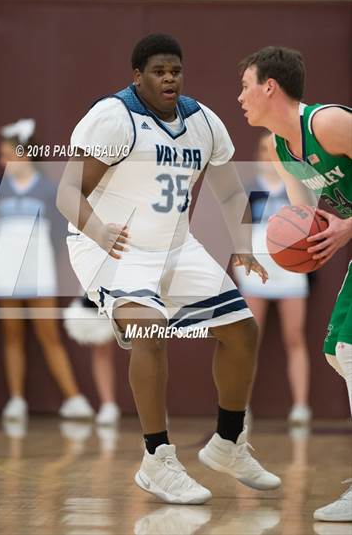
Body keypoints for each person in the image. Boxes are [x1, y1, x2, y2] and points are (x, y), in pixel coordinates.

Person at [57, 33, 281, 505]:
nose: (169, 78)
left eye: (175, 70)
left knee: (242, 330)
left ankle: (227, 442)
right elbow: (66, 194)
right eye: (158, 71)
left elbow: (230, 192)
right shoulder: (113, 119)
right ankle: (157, 458)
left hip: (176, 245)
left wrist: (242, 246)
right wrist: (98, 231)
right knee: (150, 330)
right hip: (110, 246)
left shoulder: (202, 122)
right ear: (137, 76)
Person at [238, 45, 352, 522]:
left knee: (349, 351)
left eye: (245, 86)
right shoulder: (284, 149)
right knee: (338, 352)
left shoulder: (326, 123)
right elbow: (310, 219)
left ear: (270, 86)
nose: (240, 97)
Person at [0, 119, 93, 421]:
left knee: (49, 335)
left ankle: (74, 398)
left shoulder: (48, 189)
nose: (3, 162)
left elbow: (59, 233)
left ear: (24, 154)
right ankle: (16, 400)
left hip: (39, 269)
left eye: (7, 155)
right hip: (4, 270)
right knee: (12, 335)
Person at [234, 131, 312, 423]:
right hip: (256, 273)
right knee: (250, 339)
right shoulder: (249, 188)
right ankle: (241, 407)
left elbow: (310, 228)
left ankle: (301, 407)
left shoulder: (297, 188)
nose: (269, 157)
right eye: (264, 151)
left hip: (291, 273)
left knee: (295, 337)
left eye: (274, 151)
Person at [64, 295, 120, 426]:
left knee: (140, 346)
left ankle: (153, 408)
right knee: (101, 344)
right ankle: (108, 404)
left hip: (133, 283)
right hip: (100, 282)